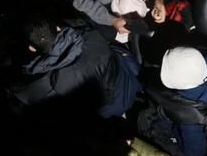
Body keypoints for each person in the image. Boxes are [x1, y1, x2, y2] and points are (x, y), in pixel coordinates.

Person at [8, 15, 141, 118]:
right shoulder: (88, 33)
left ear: (32, 48)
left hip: (109, 112)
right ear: (58, 28)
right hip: (129, 82)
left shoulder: (48, 83)